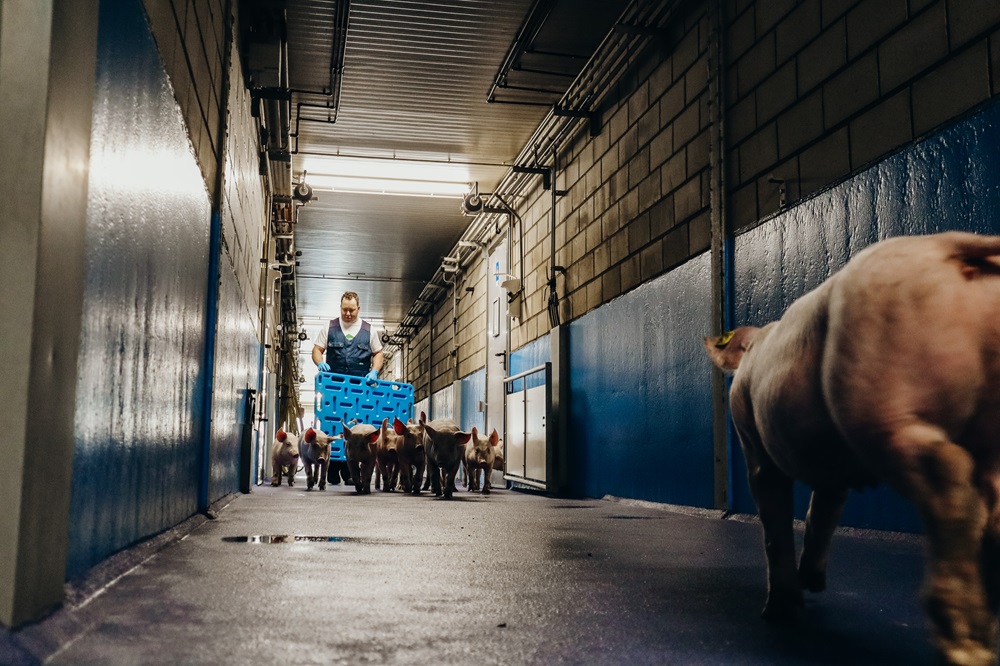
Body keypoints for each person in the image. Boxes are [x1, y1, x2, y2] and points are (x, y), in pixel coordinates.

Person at [313, 291, 384, 485]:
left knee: (355, 430)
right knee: (332, 426)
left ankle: (350, 471)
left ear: (358, 309)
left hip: (358, 391)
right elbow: (317, 349)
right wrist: (320, 362)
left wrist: (374, 371)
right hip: (333, 390)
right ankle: (332, 468)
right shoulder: (329, 327)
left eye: (352, 310)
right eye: (345, 309)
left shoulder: (369, 330)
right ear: (340, 308)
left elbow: (378, 353)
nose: (348, 314)